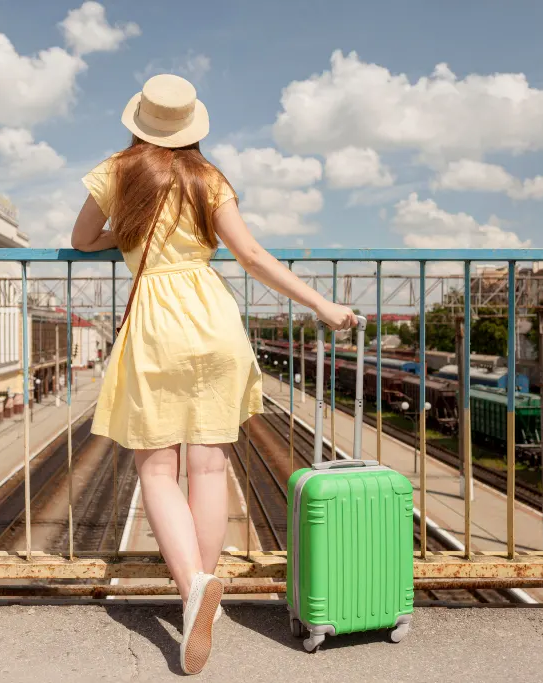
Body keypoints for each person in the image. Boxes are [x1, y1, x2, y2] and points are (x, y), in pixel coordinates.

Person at [70, 74, 358, 675]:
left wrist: (128, 234)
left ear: (138, 122)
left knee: (156, 465)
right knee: (209, 463)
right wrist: (323, 306)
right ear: (191, 126)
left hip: (155, 321)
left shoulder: (117, 173)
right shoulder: (210, 178)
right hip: (213, 319)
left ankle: (194, 586)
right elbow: (253, 256)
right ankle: (204, 589)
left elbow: (81, 238)